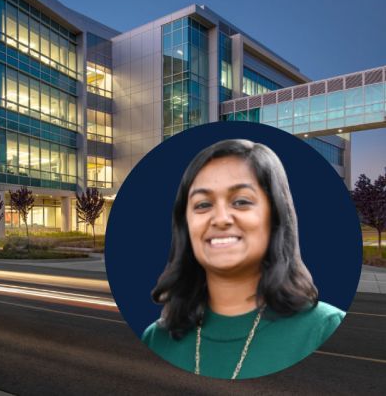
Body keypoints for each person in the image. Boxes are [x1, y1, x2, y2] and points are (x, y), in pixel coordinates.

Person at [142, 139, 344, 379]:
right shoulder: (156, 339)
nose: (221, 219)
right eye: (203, 204)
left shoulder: (326, 329)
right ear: (185, 224)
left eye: (241, 201)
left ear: (275, 215)